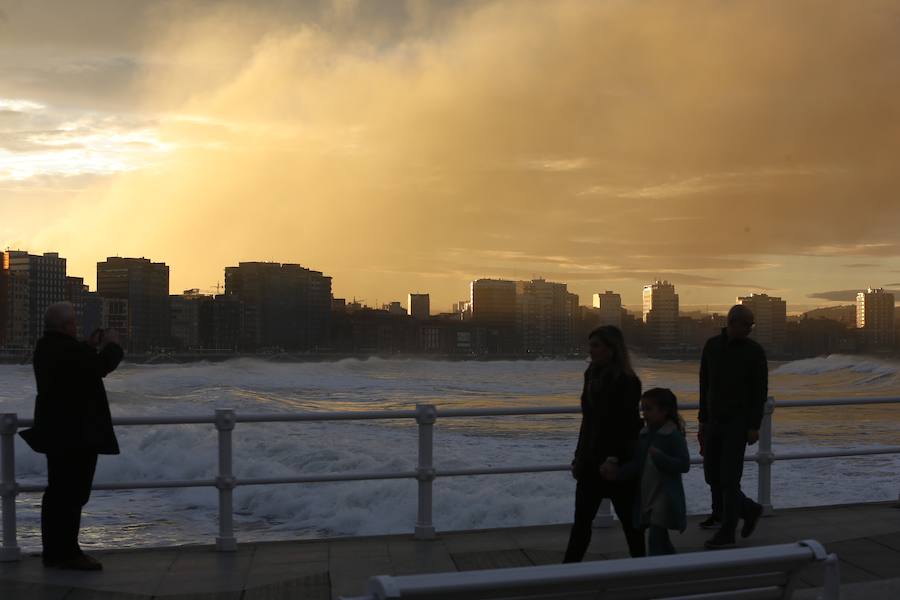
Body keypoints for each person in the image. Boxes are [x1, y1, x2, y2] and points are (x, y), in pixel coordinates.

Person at [19, 302, 124, 570]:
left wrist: (88, 345)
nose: (76, 327)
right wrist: (112, 344)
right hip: (76, 434)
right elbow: (99, 366)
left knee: (58, 493)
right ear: (66, 326)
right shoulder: (66, 350)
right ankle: (67, 553)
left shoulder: (47, 348)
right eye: (74, 323)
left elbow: (78, 368)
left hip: (57, 432)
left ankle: (55, 552)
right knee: (72, 494)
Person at [563, 325, 646, 562]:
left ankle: (643, 567)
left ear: (612, 349)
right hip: (591, 460)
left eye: (596, 345)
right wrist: (578, 457)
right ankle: (567, 570)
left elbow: (627, 425)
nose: (591, 350)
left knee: (630, 523)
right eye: (590, 345)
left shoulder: (628, 381)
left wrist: (613, 458)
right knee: (582, 521)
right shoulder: (592, 374)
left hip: (617, 462)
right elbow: (588, 421)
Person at [699, 304, 767, 550]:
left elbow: (759, 392)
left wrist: (754, 426)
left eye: (752, 325)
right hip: (713, 422)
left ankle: (728, 531)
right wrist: (702, 419)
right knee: (712, 475)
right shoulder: (712, 346)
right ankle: (748, 509)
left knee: (729, 479)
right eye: (747, 324)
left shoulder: (754, 351)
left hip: (738, 424)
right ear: (732, 322)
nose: (750, 329)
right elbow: (704, 384)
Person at [603, 388, 690, 556]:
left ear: (664, 411)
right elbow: (638, 463)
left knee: (655, 538)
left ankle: (654, 566)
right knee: (661, 539)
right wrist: (618, 474)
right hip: (648, 492)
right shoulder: (645, 435)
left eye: (649, 409)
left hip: (664, 495)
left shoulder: (673, 436)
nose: (644, 413)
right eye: (643, 409)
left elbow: (684, 465)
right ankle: (676, 564)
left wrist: (661, 458)